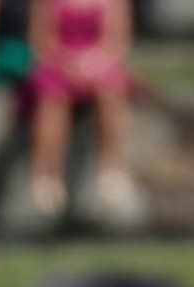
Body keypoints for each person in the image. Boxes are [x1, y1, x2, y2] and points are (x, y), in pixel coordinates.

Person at [27, 0, 134, 216]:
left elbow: (117, 41)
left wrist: (94, 63)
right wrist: (68, 63)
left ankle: (113, 167)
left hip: (100, 63)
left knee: (111, 91)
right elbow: (40, 41)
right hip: (59, 63)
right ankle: (46, 174)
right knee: (53, 99)